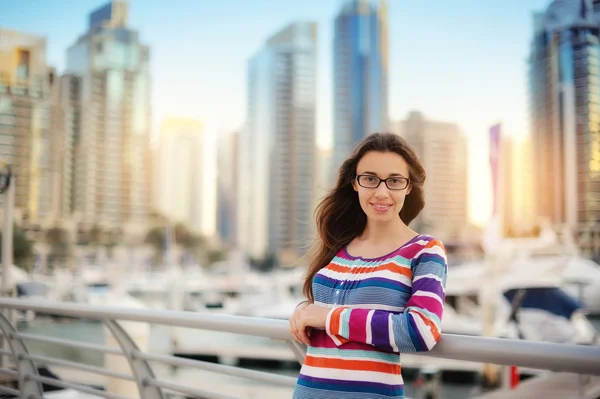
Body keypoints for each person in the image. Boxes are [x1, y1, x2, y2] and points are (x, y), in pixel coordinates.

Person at [289, 132, 448, 399]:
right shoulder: (338, 245)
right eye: (370, 179)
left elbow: (421, 330)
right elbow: (318, 307)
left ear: (408, 187)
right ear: (355, 183)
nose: (382, 192)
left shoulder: (425, 250)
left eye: (395, 181)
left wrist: (327, 317)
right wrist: (303, 310)